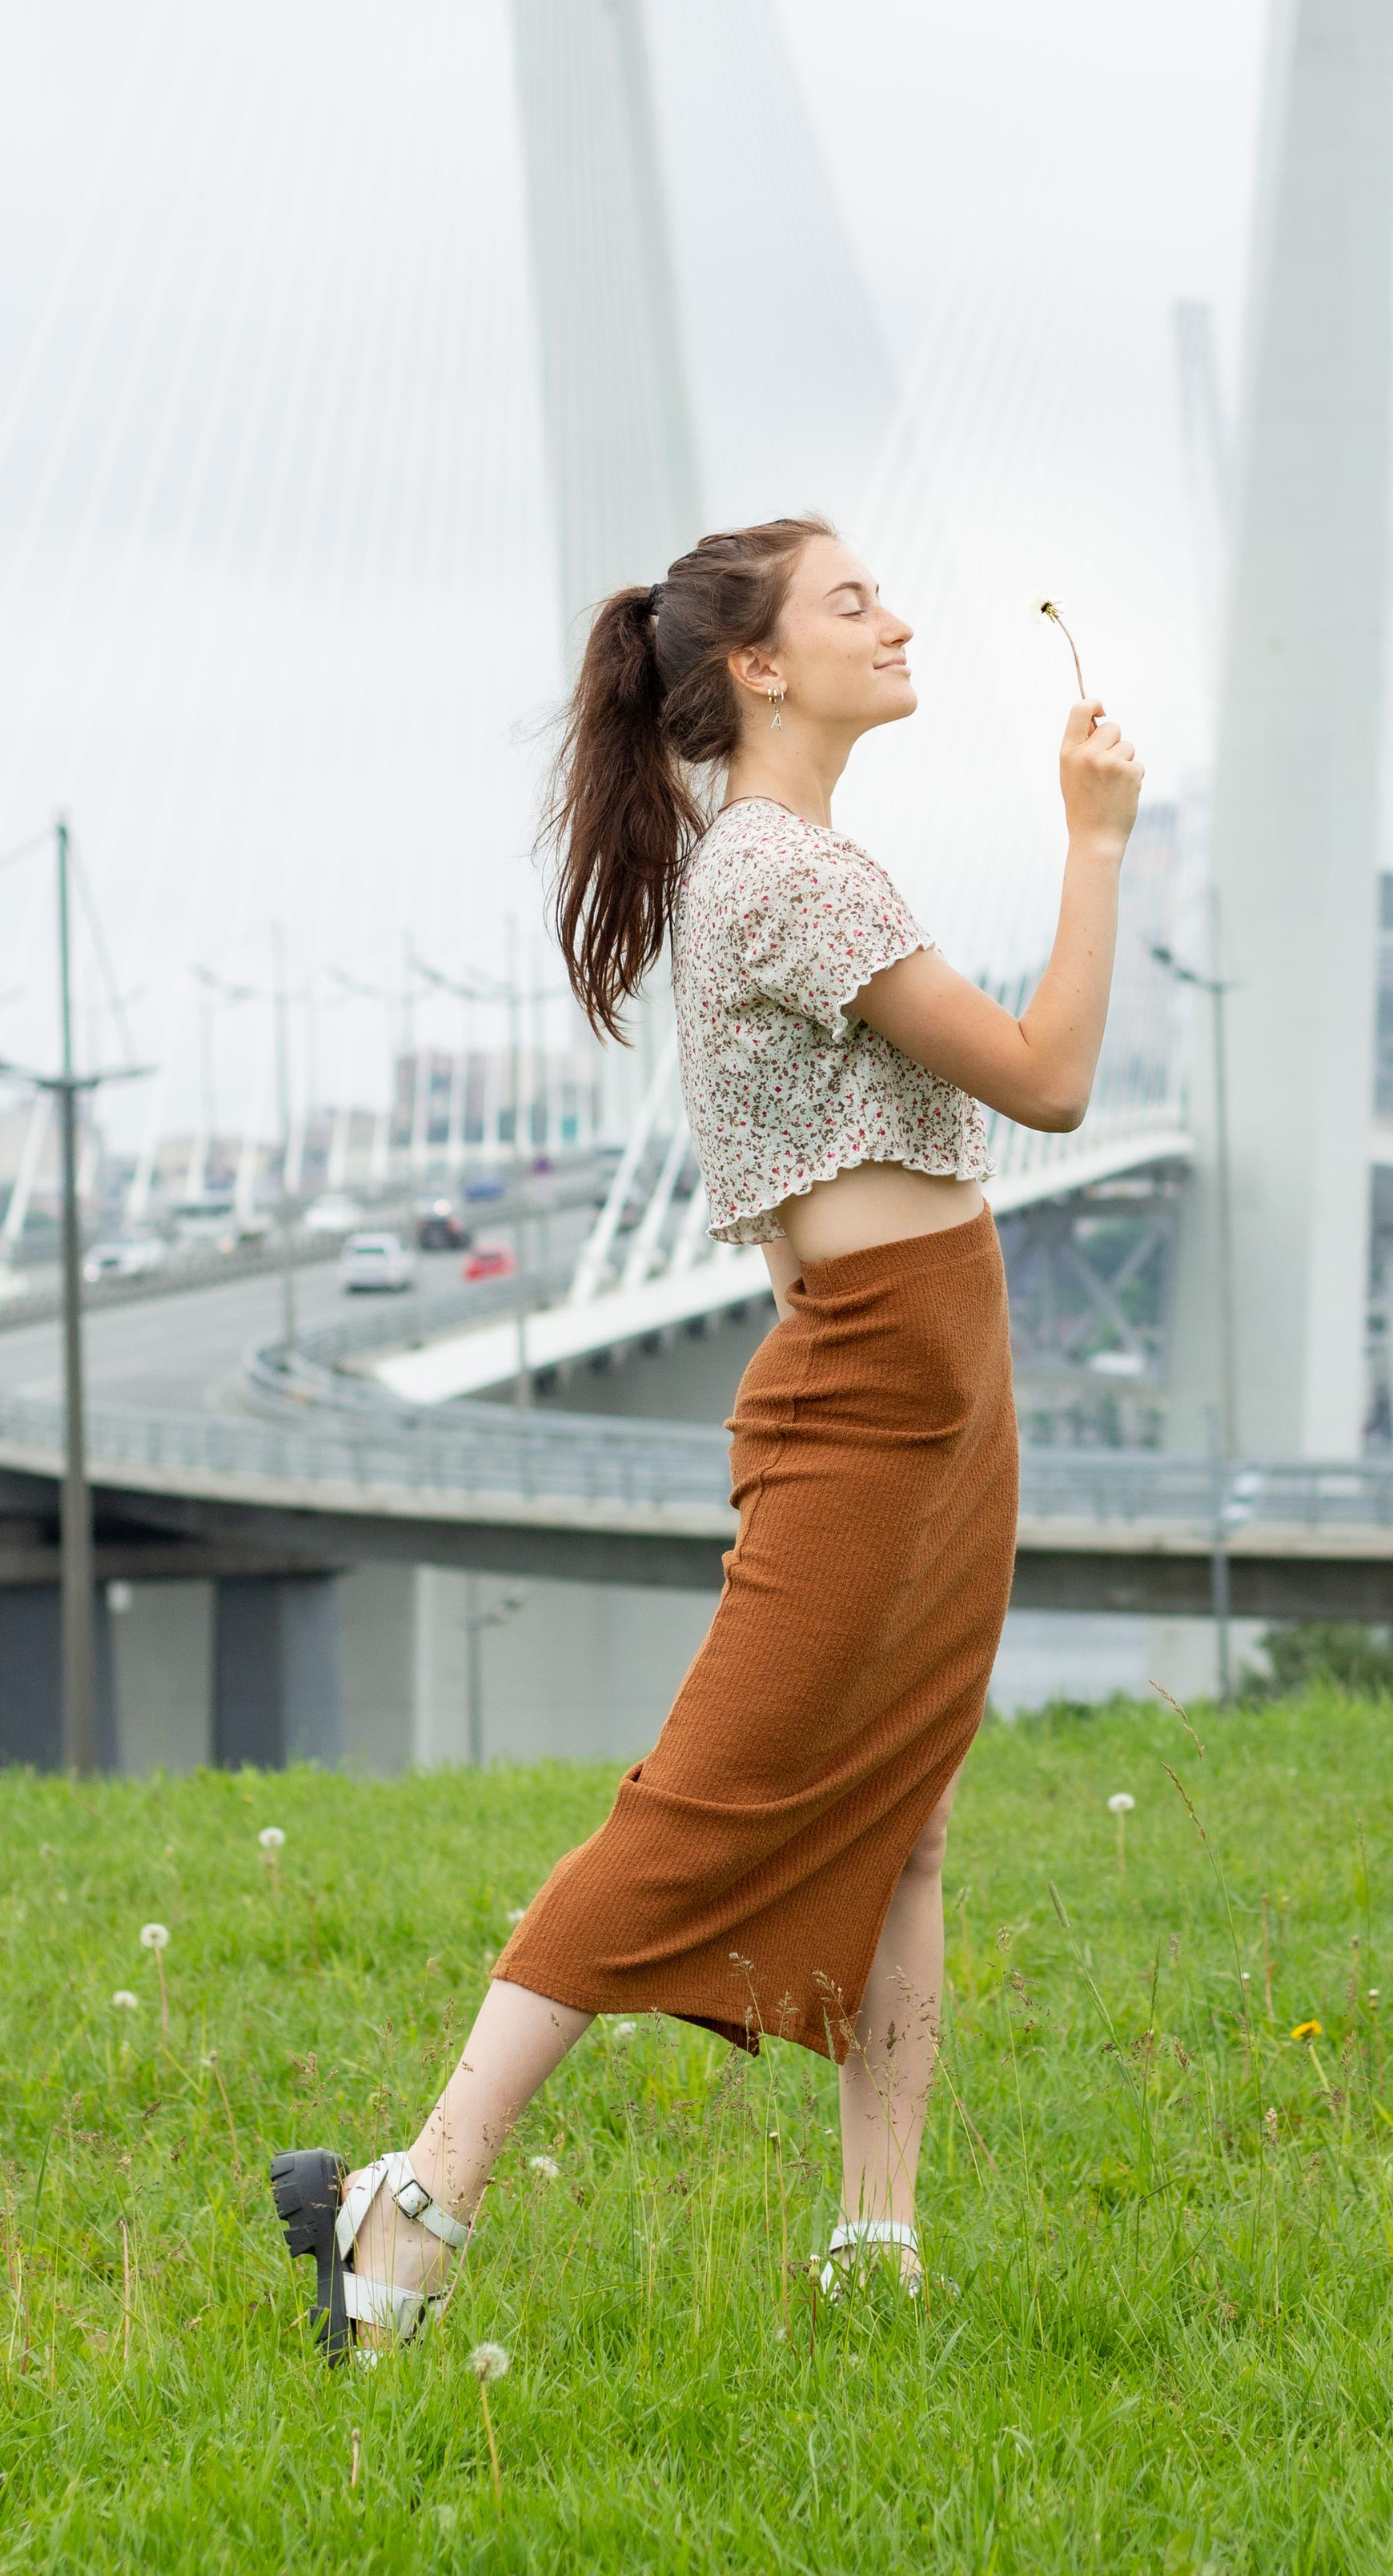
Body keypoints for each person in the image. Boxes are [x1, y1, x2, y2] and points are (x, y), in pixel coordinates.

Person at [271, 513, 1142, 2357]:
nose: (894, 620)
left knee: (903, 1825)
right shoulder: (782, 873)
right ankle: (408, 2208)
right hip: (871, 1399)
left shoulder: (802, 859)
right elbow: (1052, 1082)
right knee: (695, 1814)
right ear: (758, 666)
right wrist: (1096, 845)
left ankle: (873, 2248)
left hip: (937, 1391)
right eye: (851, 602)